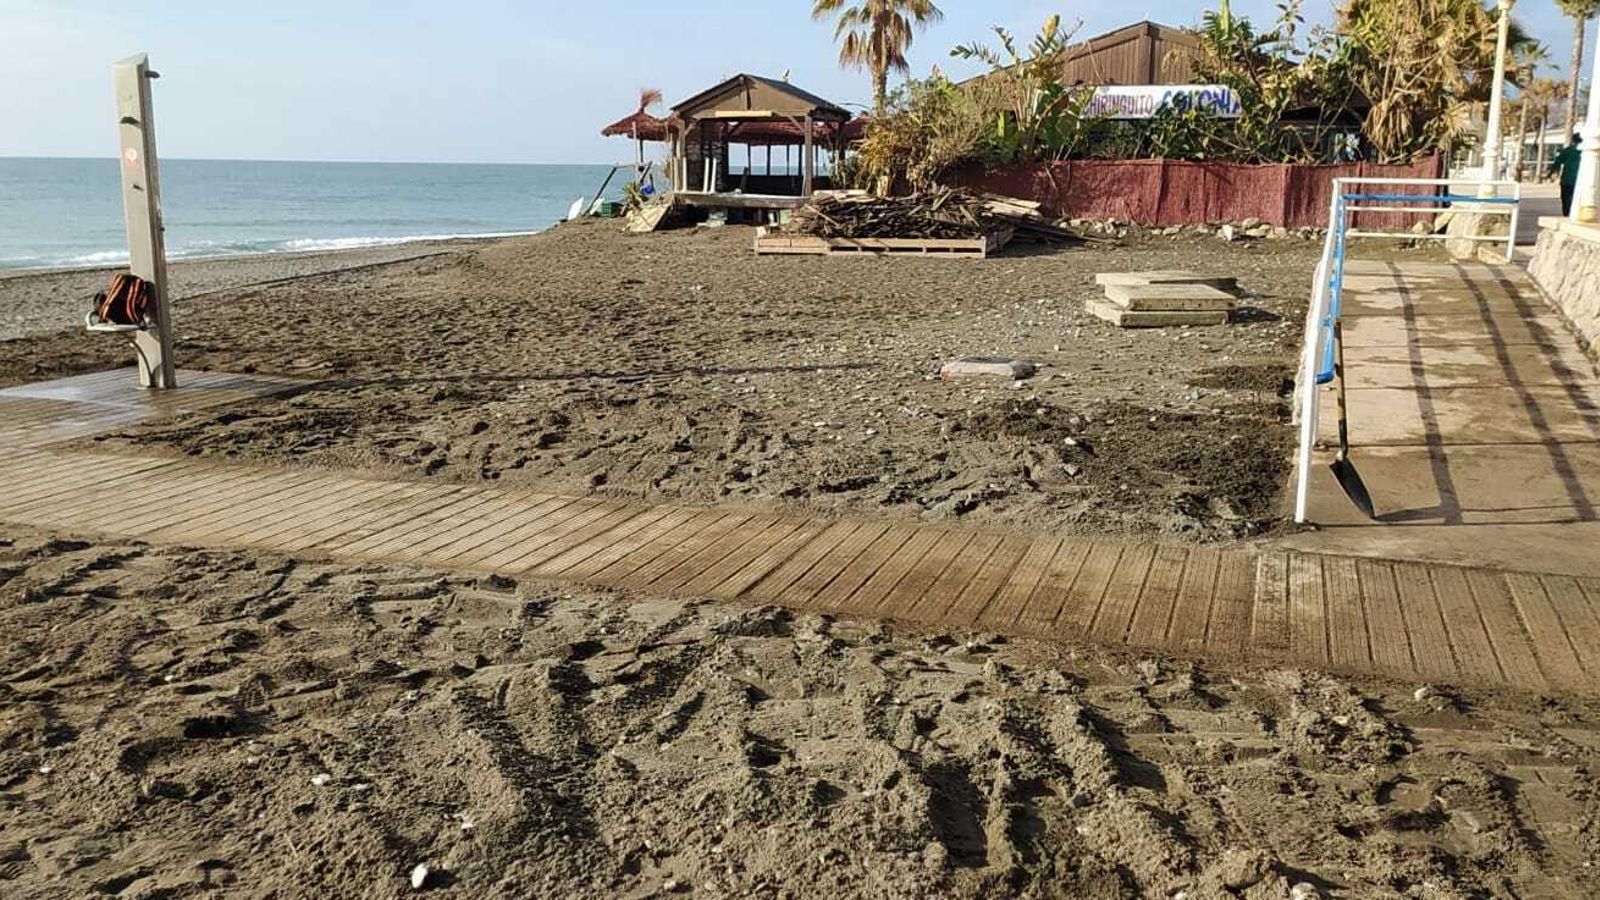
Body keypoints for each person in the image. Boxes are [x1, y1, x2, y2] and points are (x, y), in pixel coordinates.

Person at [1550, 134, 1583, 216]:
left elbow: (1557, 162)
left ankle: (1567, 215)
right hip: (1581, 182)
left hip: (1567, 181)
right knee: (1579, 201)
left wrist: (1553, 173)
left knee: (1566, 201)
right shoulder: (1586, 152)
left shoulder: (1567, 151)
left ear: (1572, 141)